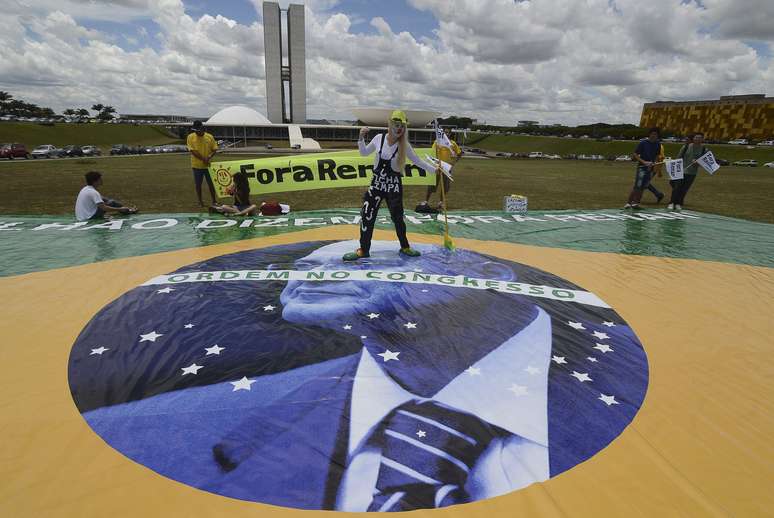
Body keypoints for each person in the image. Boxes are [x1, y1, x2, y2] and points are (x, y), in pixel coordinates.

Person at [74, 240, 648, 512]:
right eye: (306, 264)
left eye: (359, 256)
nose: (312, 270)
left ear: (488, 271)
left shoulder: (690, 395)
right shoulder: (141, 437)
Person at [343, 110, 438, 261]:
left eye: (402, 125)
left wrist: (435, 170)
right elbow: (364, 153)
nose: (399, 128)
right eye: (396, 124)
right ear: (390, 123)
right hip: (376, 186)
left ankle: (405, 246)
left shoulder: (404, 145)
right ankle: (363, 249)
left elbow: (418, 161)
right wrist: (361, 138)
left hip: (393, 187)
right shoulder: (379, 138)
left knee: (398, 218)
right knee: (367, 216)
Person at [417, 127, 463, 213]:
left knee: (445, 186)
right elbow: (432, 153)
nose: (446, 134)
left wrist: (453, 163)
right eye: (445, 132)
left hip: (446, 168)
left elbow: (459, 153)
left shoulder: (452, 143)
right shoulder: (437, 142)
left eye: (448, 133)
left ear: (450, 134)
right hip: (437, 167)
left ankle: (441, 202)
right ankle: (426, 201)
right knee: (432, 185)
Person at [625, 127, 662, 209]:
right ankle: (628, 203)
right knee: (637, 186)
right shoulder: (643, 143)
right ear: (649, 134)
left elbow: (657, 155)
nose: (654, 136)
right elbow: (635, 154)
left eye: (656, 134)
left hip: (650, 168)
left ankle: (636, 203)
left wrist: (654, 163)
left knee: (644, 186)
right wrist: (644, 162)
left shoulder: (658, 144)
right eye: (652, 134)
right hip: (642, 167)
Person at [668, 132, 707, 210]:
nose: (698, 139)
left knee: (684, 189)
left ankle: (678, 203)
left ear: (702, 139)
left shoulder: (704, 150)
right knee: (676, 187)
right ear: (693, 138)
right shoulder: (685, 147)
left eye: (700, 138)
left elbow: (704, 162)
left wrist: (698, 163)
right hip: (681, 171)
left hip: (692, 172)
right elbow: (678, 158)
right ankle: (672, 203)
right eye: (696, 137)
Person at [187, 120, 219, 207]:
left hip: (208, 166)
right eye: (195, 130)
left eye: (198, 130)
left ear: (202, 128)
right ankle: (200, 201)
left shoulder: (209, 137)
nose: (196, 132)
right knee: (198, 184)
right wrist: (203, 159)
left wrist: (209, 157)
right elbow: (193, 151)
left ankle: (214, 201)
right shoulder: (190, 137)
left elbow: (214, 149)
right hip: (196, 166)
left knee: (211, 184)